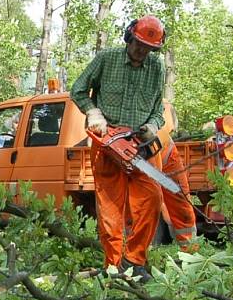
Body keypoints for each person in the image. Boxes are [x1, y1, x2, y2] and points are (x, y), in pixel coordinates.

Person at [70, 15, 167, 281]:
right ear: (129, 36)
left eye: (148, 47)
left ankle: (134, 261)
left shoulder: (157, 69)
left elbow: (158, 108)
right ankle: (113, 265)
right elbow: (78, 89)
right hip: (107, 140)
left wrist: (152, 125)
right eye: (138, 44)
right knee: (110, 208)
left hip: (138, 144)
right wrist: (93, 113)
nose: (142, 50)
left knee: (151, 199)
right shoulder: (107, 59)